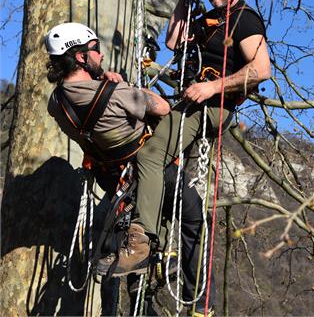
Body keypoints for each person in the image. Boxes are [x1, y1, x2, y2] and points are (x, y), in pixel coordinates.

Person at [133, 0, 272, 315]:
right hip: (192, 97)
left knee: (150, 153)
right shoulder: (205, 19)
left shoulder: (244, 21)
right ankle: (159, 229)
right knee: (152, 152)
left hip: (210, 104)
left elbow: (260, 70)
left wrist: (211, 88)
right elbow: (174, 42)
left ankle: (141, 239)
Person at [45, 22, 215, 315]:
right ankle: (198, 303)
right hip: (151, 171)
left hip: (113, 181)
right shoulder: (114, 92)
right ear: (82, 57)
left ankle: (144, 273)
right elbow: (161, 107)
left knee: (137, 229)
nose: (100, 55)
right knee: (197, 219)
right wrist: (121, 85)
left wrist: (109, 84)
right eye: (95, 49)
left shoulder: (57, 103)